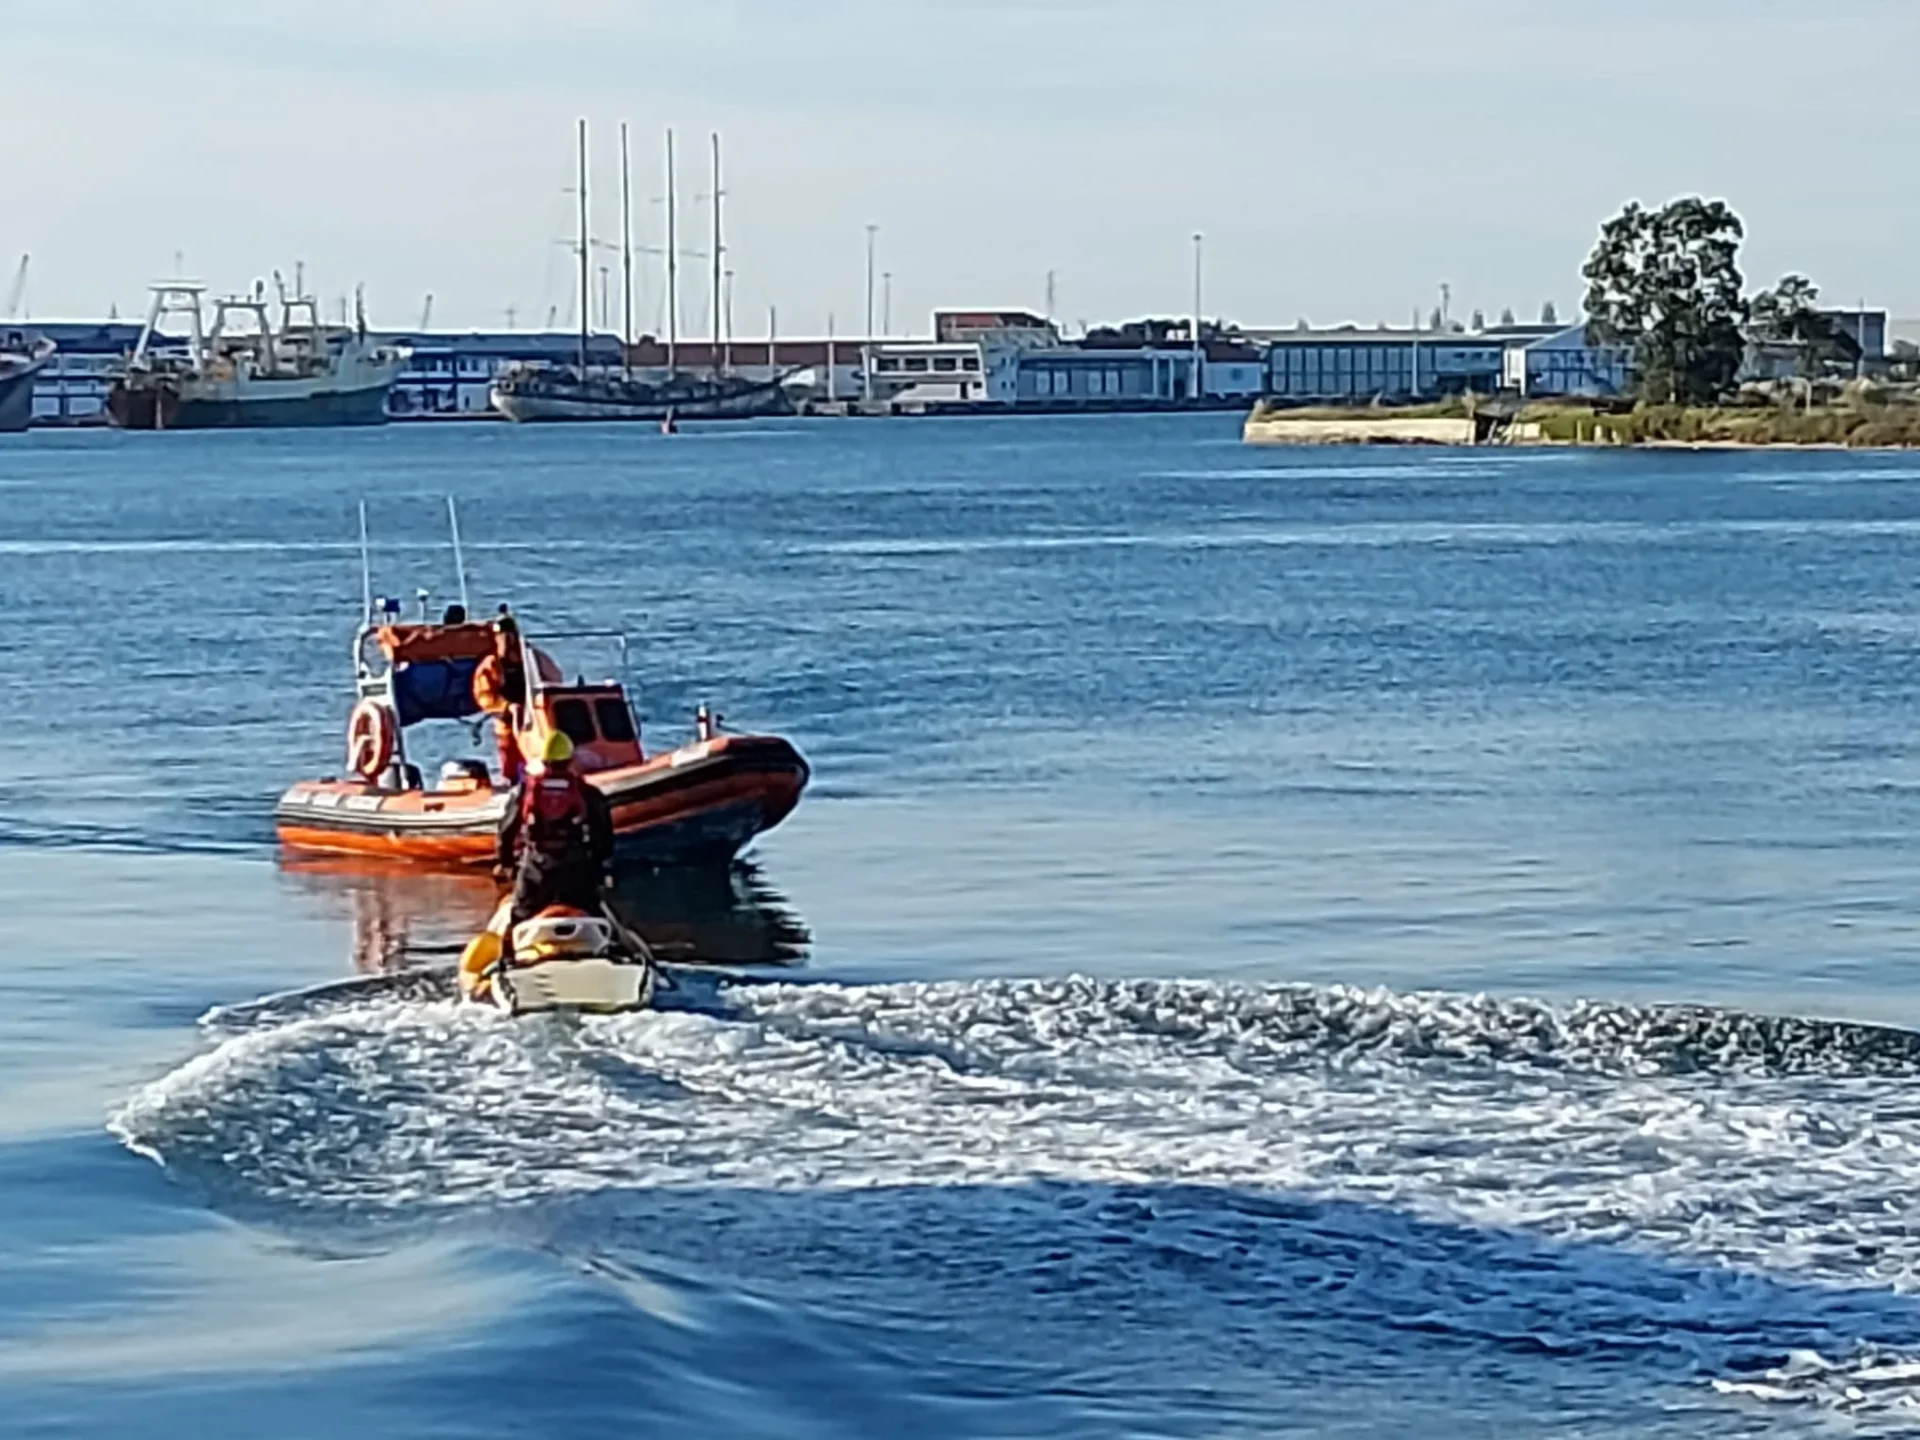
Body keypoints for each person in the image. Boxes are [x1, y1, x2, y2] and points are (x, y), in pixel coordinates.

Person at [495, 730, 616, 954]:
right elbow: (603, 834)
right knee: (593, 911)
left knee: (520, 914)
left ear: (544, 762)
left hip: (536, 867)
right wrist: (599, 865)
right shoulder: (587, 792)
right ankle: (610, 953)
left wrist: (507, 863)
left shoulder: (526, 792)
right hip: (576, 866)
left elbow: (506, 831)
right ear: (569, 760)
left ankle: (507, 959)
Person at [471, 615, 527, 784]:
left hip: (536, 720)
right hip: (508, 725)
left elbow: (550, 678)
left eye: (510, 635)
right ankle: (511, 784)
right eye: (502, 636)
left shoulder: (530, 659)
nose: (507, 640)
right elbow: (485, 697)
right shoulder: (490, 666)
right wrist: (507, 707)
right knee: (509, 759)